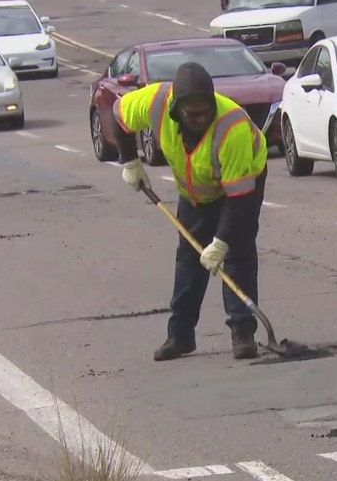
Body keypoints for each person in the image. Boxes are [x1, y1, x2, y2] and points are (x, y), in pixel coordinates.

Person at [111, 62, 268, 362]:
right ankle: (180, 335)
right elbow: (119, 116)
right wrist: (129, 161)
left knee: (237, 254)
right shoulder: (155, 102)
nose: (200, 119)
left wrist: (221, 241)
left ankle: (243, 332)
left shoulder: (231, 127)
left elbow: (240, 199)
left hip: (241, 185)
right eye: (192, 114)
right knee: (189, 259)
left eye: (205, 111)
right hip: (194, 189)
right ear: (176, 109)